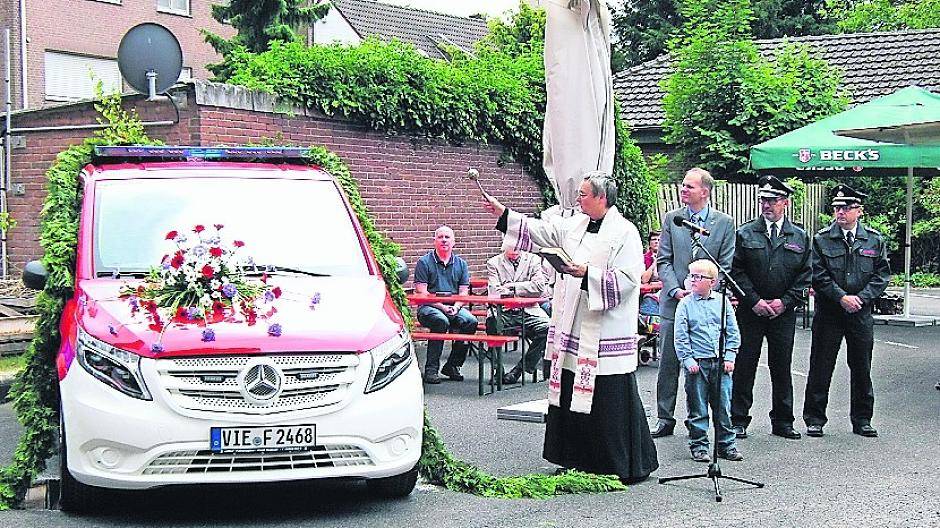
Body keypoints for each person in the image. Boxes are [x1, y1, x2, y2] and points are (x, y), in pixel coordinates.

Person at [482, 171, 658, 483]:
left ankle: (619, 464)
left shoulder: (624, 232)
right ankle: (576, 458)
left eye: (583, 194)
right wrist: (504, 215)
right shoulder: (575, 224)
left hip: (604, 329)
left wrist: (587, 273)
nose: (578, 199)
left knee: (607, 396)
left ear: (601, 198)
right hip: (573, 325)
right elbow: (543, 232)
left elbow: (630, 279)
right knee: (569, 389)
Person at [652, 168, 735, 439]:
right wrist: (677, 291)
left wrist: (704, 291)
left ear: (705, 192)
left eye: (689, 186)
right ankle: (665, 418)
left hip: (707, 307)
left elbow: (724, 266)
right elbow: (663, 260)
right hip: (674, 304)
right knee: (668, 363)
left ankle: (698, 422)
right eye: (683, 186)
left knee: (701, 366)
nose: (683, 190)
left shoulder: (723, 223)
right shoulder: (672, 219)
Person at [803, 184, 890, 438]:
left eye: (846, 208)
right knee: (821, 365)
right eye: (837, 208)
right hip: (830, 311)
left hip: (860, 313)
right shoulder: (821, 239)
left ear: (859, 211)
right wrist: (841, 297)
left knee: (861, 366)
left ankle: (862, 419)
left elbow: (881, 275)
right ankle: (815, 418)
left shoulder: (874, 239)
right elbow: (817, 274)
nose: (840, 212)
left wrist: (860, 299)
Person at [729, 176, 811, 440]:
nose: (767, 205)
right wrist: (753, 300)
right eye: (763, 200)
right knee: (745, 364)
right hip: (751, 310)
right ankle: (738, 419)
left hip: (782, 312)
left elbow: (806, 275)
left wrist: (784, 302)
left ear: (785, 203)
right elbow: (736, 272)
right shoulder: (745, 233)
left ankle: (783, 421)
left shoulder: (799, 236)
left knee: (781, 365)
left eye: (773, 201)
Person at [674, 258, 743, 462]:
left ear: (712, 282)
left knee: (723, 407)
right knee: (698, 407)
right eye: (691, 276)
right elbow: (681, 336)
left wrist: (730, 356)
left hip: (720, 363)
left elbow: (732, 332)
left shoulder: (723, 303)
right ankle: (699, 445)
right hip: (698, 363)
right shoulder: (685, 305)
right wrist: (687, 360)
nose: (692, 280)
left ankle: (726, 445)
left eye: (698, 277)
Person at [414, 226, 478, 384]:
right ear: (434, 241)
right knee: (441, 321)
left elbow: (463, 293)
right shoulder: (424, 262)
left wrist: (456, 307)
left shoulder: (461, 264)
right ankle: (431, 370)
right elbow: (422, 293)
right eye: (440, 237)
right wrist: (442, 307)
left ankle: (452, 365)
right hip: (429, 307)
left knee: (471, 322)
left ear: (454, 242)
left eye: (447, 237)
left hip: (453, 306)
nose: (444, 240)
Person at [485, 249, 551, 384]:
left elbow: (539, 288)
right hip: (503, 311)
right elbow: (493, 291)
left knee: (548, 328)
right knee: (492, 323)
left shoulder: (533, 260)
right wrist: (526, 288)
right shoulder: (493, 263)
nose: (514, 247)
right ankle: (498, 370)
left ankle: (518, 370)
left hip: (528, 310)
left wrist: (511, 287)